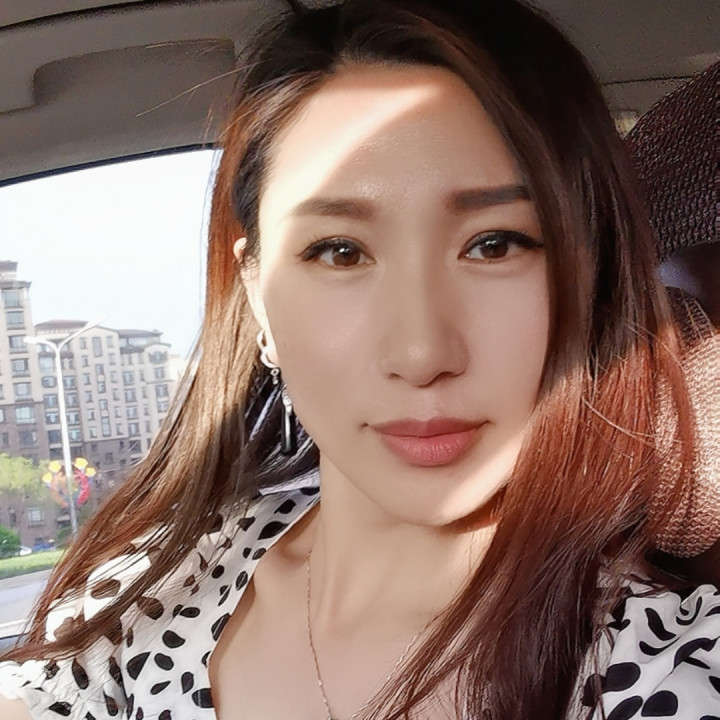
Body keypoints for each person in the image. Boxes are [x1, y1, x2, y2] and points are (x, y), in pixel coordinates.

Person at [1, 1, 718, 718]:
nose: (422, 354)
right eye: (340, 252)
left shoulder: (663, 669)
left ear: (588, 284)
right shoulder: (155, 584)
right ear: (258, 298)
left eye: (494, 244)